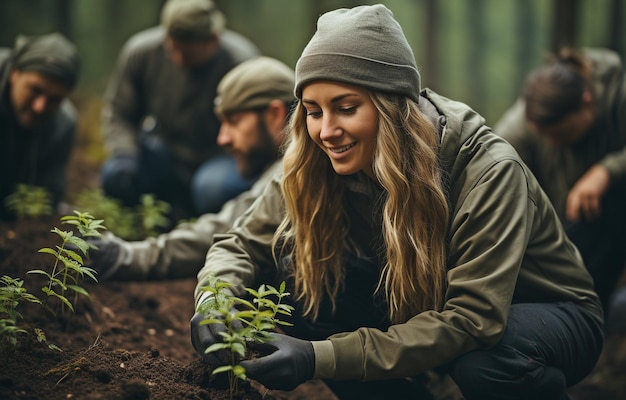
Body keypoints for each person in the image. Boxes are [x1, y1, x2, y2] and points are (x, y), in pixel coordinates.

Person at [190, 5, 604, 400]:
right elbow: (240, 243)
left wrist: (321, 357)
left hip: (543, 315)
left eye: (346, 108)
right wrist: (214, 301)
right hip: (427, 303)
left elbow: (472, 320)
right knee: (295, 285)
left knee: (487, 362)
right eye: (313, 111)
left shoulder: (488, 171)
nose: (326, 130)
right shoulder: (317, 160)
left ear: (392, 107)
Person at [88, 56, 295, 281]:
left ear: (275, 114)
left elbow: (231, 231)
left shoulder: (293, 169)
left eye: (233, 122)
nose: (222, 138)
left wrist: (128, 257)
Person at [494, 47, 626, 315]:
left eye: (562, 133)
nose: (553, 143)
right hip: (566, 226)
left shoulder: (618, 97)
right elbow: (493, 172)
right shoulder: (520, 126)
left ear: (587, 102)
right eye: (546, 136)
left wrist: (606, 171)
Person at [100, 0, 260, 220]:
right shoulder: (141, 52)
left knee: (211, 188)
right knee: (116, 175)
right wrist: (126, 154)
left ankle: (209, 230)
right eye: (172, 47)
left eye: (188, 54)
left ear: (213, 40)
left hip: (223, 156)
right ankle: (149, 226)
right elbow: (120, 113)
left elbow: (255, 130)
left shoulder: (241, 62)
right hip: (165, 153)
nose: (177, 58)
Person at [0, 32, 80, 220]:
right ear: (14, 74)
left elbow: (49, 194)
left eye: (54, 100)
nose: (40, 107)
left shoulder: (64, 124)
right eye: (35, 90)